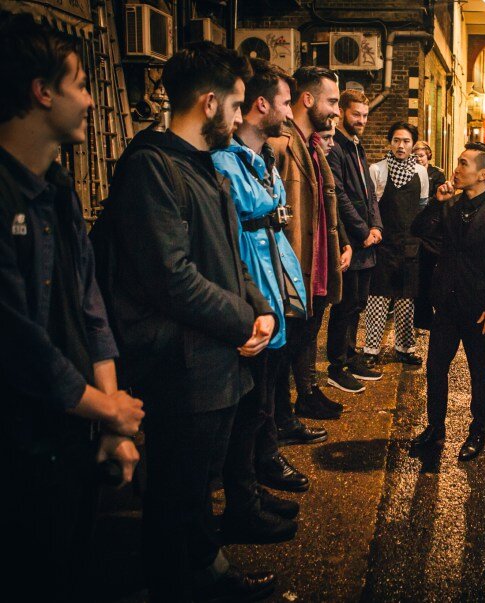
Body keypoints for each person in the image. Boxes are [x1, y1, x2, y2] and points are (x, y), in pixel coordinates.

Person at [104, 42, 276, 601]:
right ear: (208, 103)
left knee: (198, 485)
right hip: (181, 362)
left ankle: (209, 572)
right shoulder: (151, 168)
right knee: (177, 490)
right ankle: (180, 583)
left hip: (212, 358)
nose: (238, 115)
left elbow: (226, 253)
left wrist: (262, 307)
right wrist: (243, 321)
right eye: (234, 105)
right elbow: (171, 277)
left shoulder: (200, 165)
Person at [0, 15, 143, 598]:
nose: (90, 99)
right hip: (19, 447)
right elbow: (15, 340)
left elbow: (89, 305)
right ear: (42, 92)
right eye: (80, 84)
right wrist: (107, 412)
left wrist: (106, 411)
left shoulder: (57, 187)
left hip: (75, 435)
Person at [211, 58, 307, 544]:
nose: (290, 112)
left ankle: (251, 487)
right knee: (249, 405)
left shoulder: (261, 158)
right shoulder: (225, 160)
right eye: (286, 102)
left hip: (268, 285)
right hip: (249, 287)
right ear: (261, 105)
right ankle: (241, 503)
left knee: (263, 400)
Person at [410, 142, 485, 461]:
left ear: (483, 174)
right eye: (457, 162)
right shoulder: (451, 204)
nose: (456, 168)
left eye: (464, 164)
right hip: (446, 305)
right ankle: (435, 428)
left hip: (479, 309)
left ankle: (477, 431)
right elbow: (419, 230)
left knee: (480, 373)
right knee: (436, 368)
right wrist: (435, 204)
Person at [271, 67, 351, 425]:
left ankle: (296, 406)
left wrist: (340, 245)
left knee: (301, 344)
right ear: (307, 99)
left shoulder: (314, 146)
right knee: (281, 356)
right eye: (332, 101)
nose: (336, 110)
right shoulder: (282, 146)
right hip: (293, 269)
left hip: (314, 267)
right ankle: (281, 420)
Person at [325, 88, 384, 393]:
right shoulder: (334, 147)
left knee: (358, 303)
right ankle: (336, 366)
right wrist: (363, 232)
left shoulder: (357, 147)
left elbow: (369, 193)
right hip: (352, 240)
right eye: (356, 115)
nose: (361, 120)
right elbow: (339, 195)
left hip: (367, 240)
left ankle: (350, 356)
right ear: (342, 114)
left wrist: (377, 226)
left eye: (364, 115)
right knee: (344, 305)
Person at [362, 122, 430, 368]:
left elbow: (423, 206)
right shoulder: (377, 170)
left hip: (410, 244)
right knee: (378, 297)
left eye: (407, 141)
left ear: (413, 145)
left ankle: (405, 348)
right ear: (389, 142)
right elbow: (371, 207)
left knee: (406, 299)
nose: (401, 146)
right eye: (397, 140)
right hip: (384, 243)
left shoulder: (421, 172)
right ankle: (371, 349)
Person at [412, 140, 446, 330]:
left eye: (422, 155)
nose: (419, 158)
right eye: (415, 155)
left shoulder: (436, 175)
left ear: (428, 156)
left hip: (432, 231)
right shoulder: (410, 172)